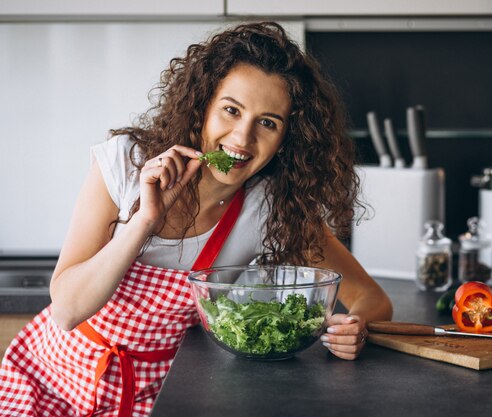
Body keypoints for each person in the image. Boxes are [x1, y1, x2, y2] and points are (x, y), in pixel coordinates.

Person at [0, 21, 393, 416]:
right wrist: (144, 221)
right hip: (52, 381)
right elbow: (67, 310)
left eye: (268, 122)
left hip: (159, 394)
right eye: (231, 110)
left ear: (288, 139)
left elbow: (371, 299)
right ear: (203, 104)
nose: (242, 138)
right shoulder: (125, 163)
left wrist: (354, 328)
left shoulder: (271, 207)